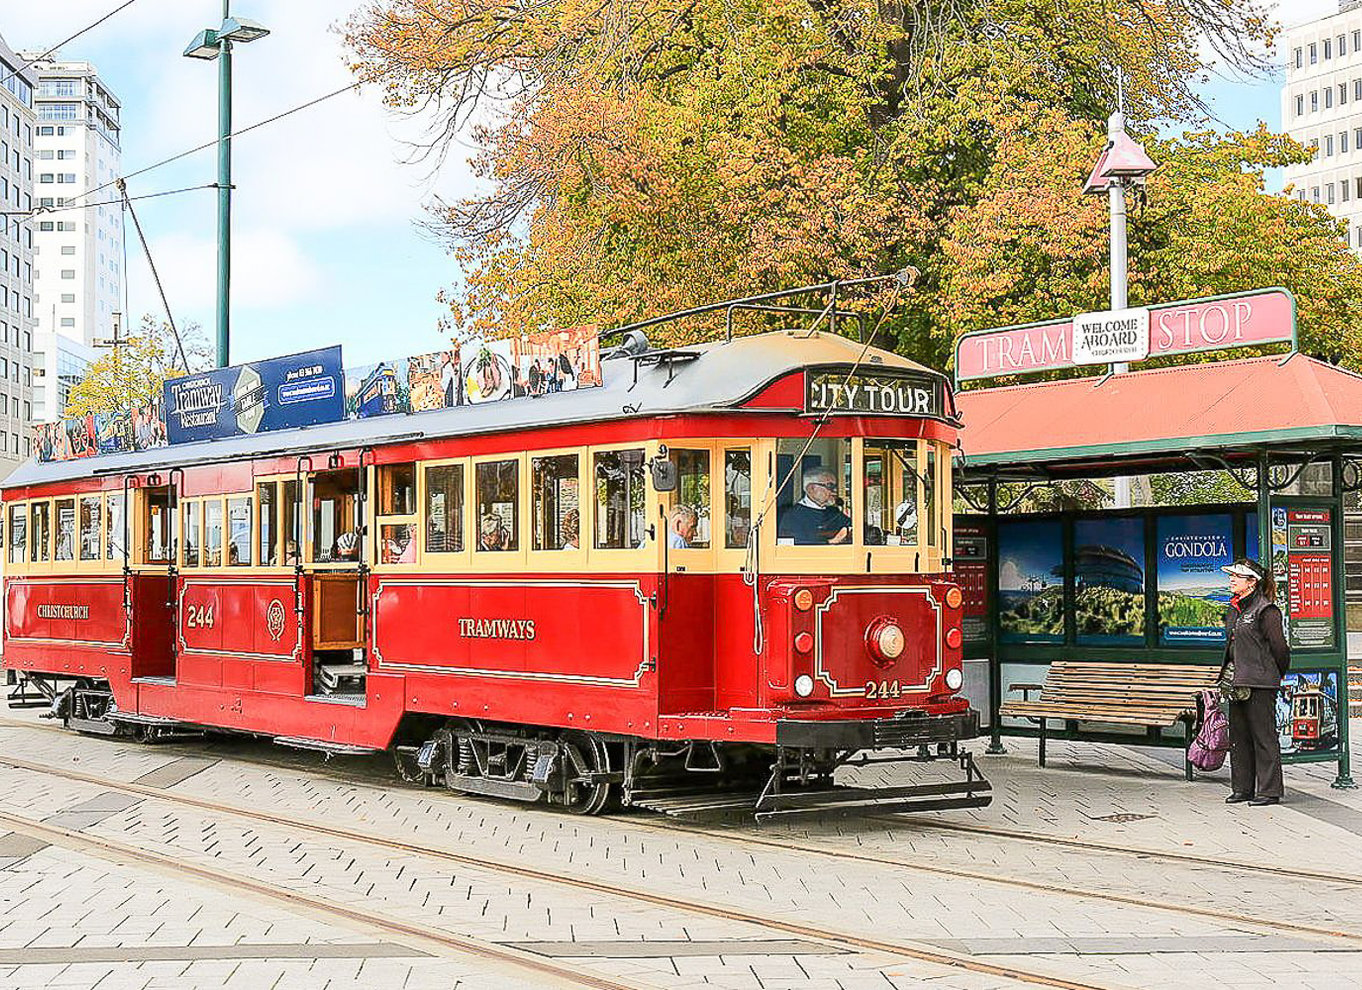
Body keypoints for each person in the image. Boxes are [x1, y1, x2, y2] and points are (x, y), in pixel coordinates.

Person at [1219, 557, 1290, 807]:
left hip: (1260, 683)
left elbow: (1280, 648)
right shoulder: (1235, 608)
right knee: (1239, 737)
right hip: (1237, 682)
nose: (1231, 579)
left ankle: (1269, 791)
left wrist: (1273, 674)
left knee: (1263, 737)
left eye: (1236, 577)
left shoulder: (1266, 609)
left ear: (1252, 582)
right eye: (1231, 576)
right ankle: (1242, 788)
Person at [777, 467, 851, 545]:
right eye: (829, 486)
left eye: (835, 486)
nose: (834, 490)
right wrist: (831, 542)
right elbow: (793, 547)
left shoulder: (834, 512)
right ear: (811, 488)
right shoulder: (792, 516)